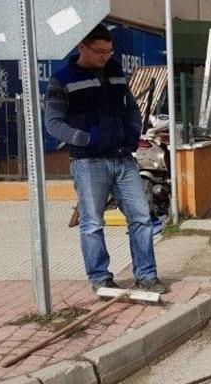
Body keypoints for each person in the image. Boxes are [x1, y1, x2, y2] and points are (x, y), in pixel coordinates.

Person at [44, 24, 166, 294]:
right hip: (88, 163)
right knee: (91, 223)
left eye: (109, 51)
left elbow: (131, 106)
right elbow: (53, 122)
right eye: (99, 51)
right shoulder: (62, 80)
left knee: (142, 218)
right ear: (82, 48)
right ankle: (100, 278)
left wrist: (133, 133)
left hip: (123, 159)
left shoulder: (114, 72)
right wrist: (85, 139)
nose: (105, 57)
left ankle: (146, 276)